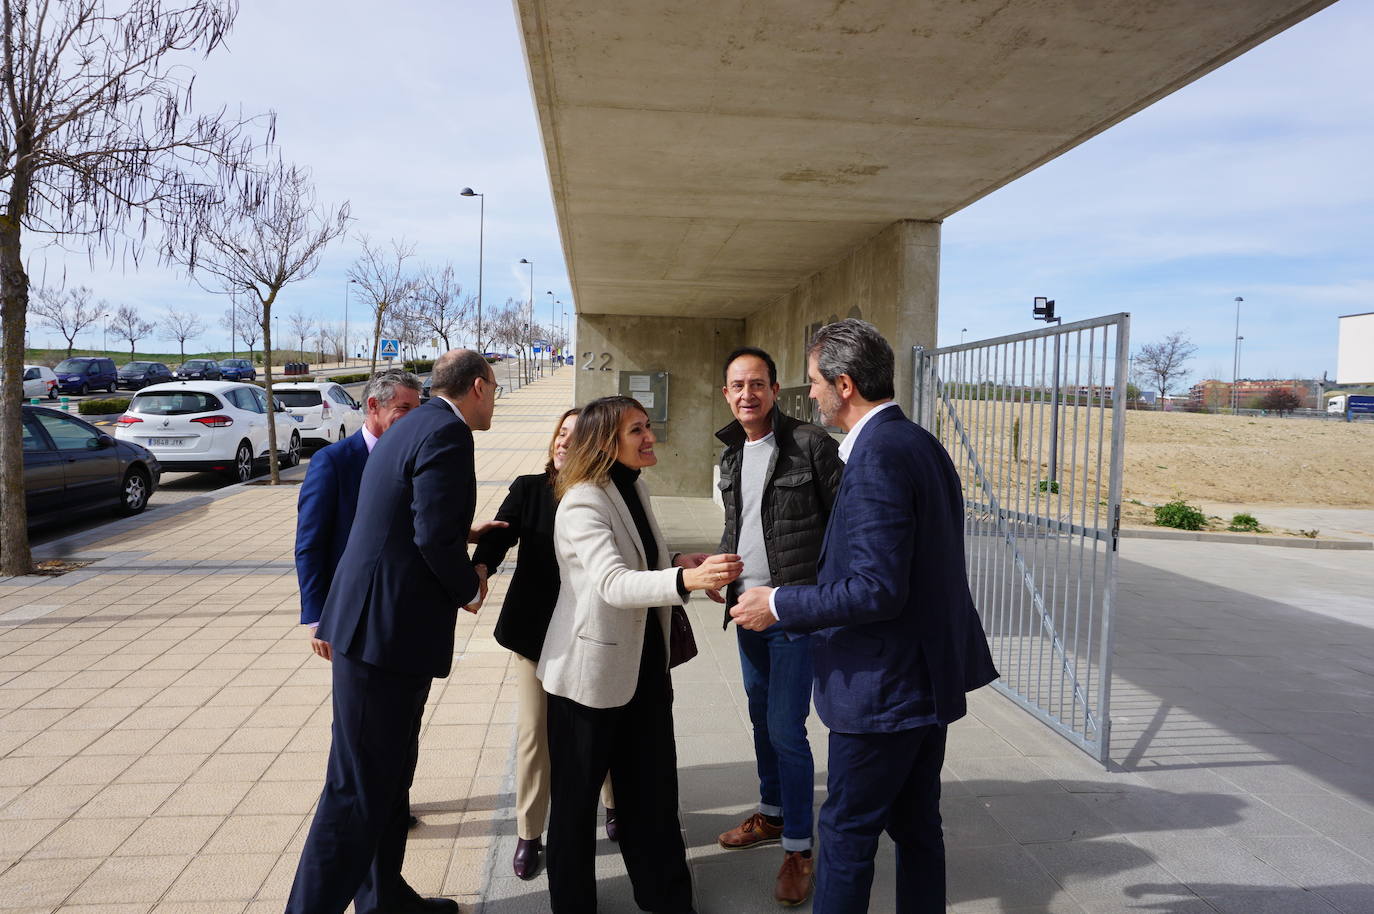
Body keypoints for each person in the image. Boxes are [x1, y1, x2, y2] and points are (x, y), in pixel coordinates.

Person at [731, 320, 998, 914]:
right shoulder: (918, 442)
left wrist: (778, 603)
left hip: (884, 691)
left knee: (847, 834)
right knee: (917, 828)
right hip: (923, 681)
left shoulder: (878, 456)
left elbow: (877, 590)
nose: (810, 394)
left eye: (814, 382)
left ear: (844, 384)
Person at [286, 349, 500, 914]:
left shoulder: (411, 425)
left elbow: (404, 517)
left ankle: (385, 901)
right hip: (382, 637)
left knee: (386, 780)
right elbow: (429, 536)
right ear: (478, 387)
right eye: (495, 391)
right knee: (356, 792)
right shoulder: (447, 433)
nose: (495, 403)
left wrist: (461, 531)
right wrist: (470, 587)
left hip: (384, 634)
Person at [538, 395, 742, 914]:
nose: (650, 436)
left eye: (647, 426)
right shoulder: (582, 500)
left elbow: (638, 559)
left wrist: (677, 560)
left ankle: (666, 899)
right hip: (588, 678)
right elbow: (611, 582)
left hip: (644, 671)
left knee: (652, 796)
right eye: (637, 430)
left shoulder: (635, 485)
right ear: (606, 442)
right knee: (575, 806)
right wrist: (685, 581)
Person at [713, 346, 843, 906]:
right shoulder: (731, 453)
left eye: (758, 384)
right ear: (727, 393)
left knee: (787, 728)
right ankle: (771, 815)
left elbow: (844, 525)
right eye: (738, 385)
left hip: (791, 612)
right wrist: (720, 568)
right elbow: (738, 523)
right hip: (747, 610)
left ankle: (798, 849)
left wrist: (818, 601)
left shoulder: (811, 444)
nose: (748, 394)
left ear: (774, 389)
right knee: (761, 718)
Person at [471, 407, 617, 881]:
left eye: (575, 436)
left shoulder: (607, 494)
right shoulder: (529, 488)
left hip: (589, 630)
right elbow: (500, 534)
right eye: (560, 433)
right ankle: (529, 832)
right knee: (535, 731)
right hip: (535, 630)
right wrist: (480, 570)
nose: (562, 442)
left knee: (598, 724)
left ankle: (615, 804)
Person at [295, 368, 423, 662]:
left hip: (404, 607)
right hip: (351, 613)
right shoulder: (333, 462)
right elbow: (310, 544)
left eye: (417, 409)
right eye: (404, 408)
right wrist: (317, 617)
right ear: (374, 406)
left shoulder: (416, 458)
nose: (414, 418)